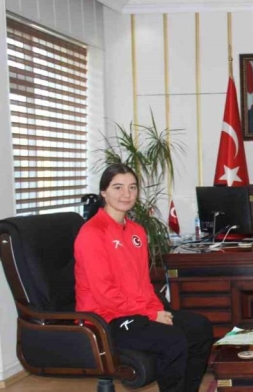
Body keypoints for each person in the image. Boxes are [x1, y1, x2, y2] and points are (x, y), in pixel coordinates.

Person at [74, 163, 213, 392]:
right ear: (103, 192)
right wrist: (151, 314)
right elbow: (105, 294)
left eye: (132, 187)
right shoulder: (92, 233)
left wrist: (156, 309)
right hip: (105, 320)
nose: (126, 194)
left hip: (135, 311)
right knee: (174, 339)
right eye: (118, 187)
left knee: (200, 327)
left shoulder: (136, 231)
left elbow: (142, 283)